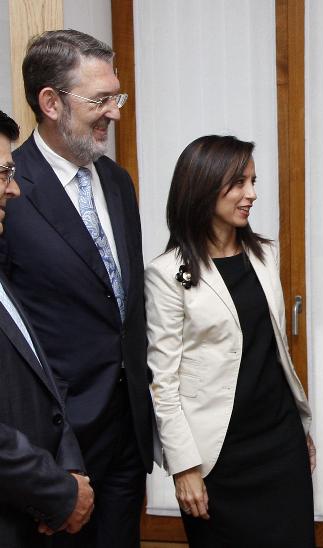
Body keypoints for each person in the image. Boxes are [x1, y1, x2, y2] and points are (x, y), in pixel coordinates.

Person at [0, 30, 153, 547]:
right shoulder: (10, 189)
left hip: (127, 437)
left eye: (118, 96)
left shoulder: (117, 182)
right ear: (50, 102)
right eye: (101, 99)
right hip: (57, 448)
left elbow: (125, 307)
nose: (114, 112)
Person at [145, 135, 316, 548]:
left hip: (279, 441)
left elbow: (273, 347)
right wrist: (184, 467)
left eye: (253, 181)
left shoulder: (264, 255)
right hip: (218, 457)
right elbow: (162, 383)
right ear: (203, 187)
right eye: (239, 183)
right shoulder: (167, 273)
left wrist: (301, 427)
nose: (252, 194)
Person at [0, 110, 93, 546]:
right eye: (3, 174)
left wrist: (70, 469)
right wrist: (58, 492)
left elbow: (41, 377)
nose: (14, 188)